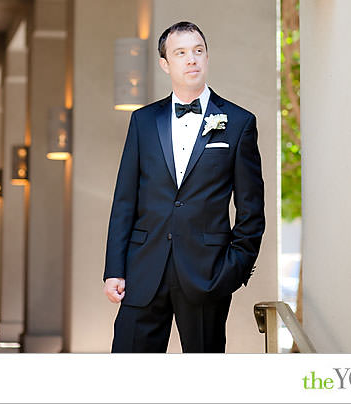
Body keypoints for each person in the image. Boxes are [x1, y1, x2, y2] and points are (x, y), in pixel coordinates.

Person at [103, 21, 265, 352]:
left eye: (198, 51)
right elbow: (125, 200)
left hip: (207, 274)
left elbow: (251, 208)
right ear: (165, 64)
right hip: (143, 269)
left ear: (206, 58)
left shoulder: (238, 123)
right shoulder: (143, 121)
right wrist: (114, 269)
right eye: (180, 53)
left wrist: (233, 270)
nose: (191, 59)